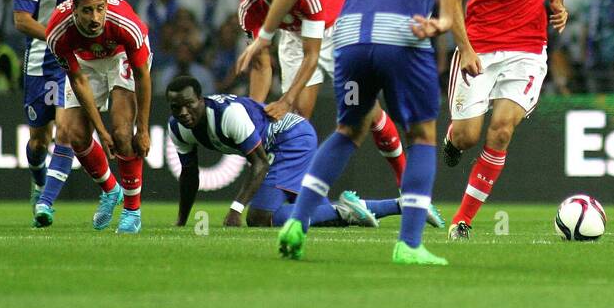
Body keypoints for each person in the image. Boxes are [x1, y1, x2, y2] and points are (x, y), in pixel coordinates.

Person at [237, 0, 461, 266]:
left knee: (347, 130)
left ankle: (298, 223)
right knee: (424, 135)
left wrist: (264, 37)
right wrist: (444, 20)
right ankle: (408, 245)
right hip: (404, 35)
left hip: (350, 39)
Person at [440, 0, 567, 238]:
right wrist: (464, 47)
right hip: (479, 47)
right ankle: (453, 139)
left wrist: (557, 2)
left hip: (529, 49)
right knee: (468, 135)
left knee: (501, 131)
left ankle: (462, 221)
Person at [165, 76, 434, 231]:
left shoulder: (227, 116)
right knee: (309, 211)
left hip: (291, 139)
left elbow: (259, 163)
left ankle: (349, 212)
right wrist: (181, 221)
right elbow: (189, 175)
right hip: (279, 147)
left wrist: (235, 209)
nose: (184, 113)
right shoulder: (179, 128)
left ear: (201, 100)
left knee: (260, 218)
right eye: (177, 108)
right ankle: (396, 206)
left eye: (189, 105)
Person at [236, 0, 406, 185]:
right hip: (296, 37)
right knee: (297, 118)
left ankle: (404, 180)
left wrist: (285, 99)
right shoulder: (249, 8)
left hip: (340, 29)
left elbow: (312, 56)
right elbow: (261, 63)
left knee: (365, 110)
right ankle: (293, 191)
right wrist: (252, 114)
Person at [12, 0, 117, 206]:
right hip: (41, 63)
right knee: (38, 142)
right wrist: (59, 39)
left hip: (80, 64)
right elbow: (21, 20)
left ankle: (46, 203)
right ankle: (38, 178)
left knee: (67, 133)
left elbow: (112, 13)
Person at [37, 0, 151, 234]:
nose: (95, 17)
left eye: (100, 9)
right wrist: (100, 130)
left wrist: (142, 130)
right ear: (74, 9)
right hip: (85, 63)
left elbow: (143, 76)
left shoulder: (126, 24)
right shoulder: (57, 33)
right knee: (76, 135)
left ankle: (132, 211)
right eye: (87, 10)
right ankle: (112, 190)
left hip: (120, 55)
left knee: (123, 134)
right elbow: (77, 79)